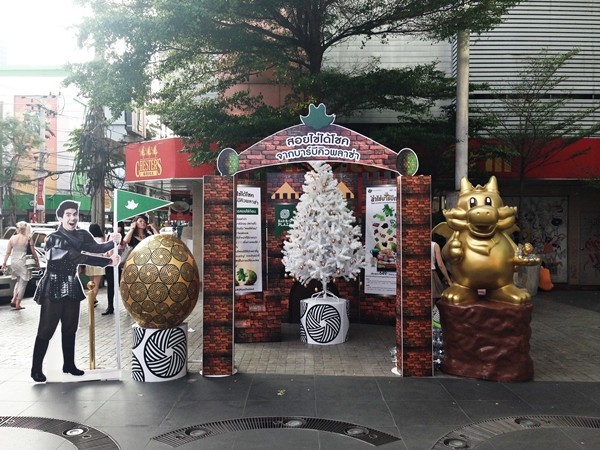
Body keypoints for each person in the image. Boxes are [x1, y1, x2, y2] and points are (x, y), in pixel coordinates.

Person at [30, 200, 121, 383]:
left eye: (75, 214)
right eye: (68, 215)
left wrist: (113, 242)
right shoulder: (53, 238)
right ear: (60, 217)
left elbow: (96, 248)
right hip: (53, 284)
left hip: (72, 283)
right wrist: (107, 262)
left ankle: (69, 364)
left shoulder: (82, 234)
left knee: (71, 327)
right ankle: (36, 369)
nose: (72, 218)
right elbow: (75, 257)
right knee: (47, 329)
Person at [1, 221, 40, 311]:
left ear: (18, 229)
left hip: (14, 261)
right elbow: (33, 252)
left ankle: (14, 299)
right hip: (23, 262)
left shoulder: (12, 238)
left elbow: (7, 252)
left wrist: (4, 263)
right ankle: (18, 303)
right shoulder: (28, 238)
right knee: (23, 283)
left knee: (18, 281)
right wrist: (37, 262)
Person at [103, 221, 126, 315]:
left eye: (119, 226)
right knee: (110, 286)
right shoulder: (109, 236)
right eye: (115, 226)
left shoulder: (124, 237)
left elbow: (123, 247)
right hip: (110, 264)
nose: (117, 228)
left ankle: (127, 306)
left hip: (120, 265)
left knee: (123, 286)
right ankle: (110, 306)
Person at [85, 223, 106, 300]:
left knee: (91, 283)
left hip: (89, 263)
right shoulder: (101, 239)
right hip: (99, 262)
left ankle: (93, 299)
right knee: (96, 283)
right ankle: (92, 300)